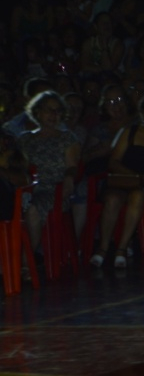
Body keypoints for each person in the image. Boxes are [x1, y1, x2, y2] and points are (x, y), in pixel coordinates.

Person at [90, 93, 144, 268]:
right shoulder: (130, 132)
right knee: (113, 199)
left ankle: (122, 248)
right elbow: (113, 161)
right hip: (125, 180)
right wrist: (133, 176)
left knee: (137, 196)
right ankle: (103, 248)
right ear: (142, 114)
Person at [17, 91, 81, 254]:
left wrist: (69, 178)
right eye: (49, 110)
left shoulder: (67, 138)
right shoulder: (25, 139)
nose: (54, 114)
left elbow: (72, 166)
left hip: (54, 190)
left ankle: (26, 261)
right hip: (27, 189)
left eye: (58, 110)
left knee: (33, 209)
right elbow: (20, 167)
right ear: (38, 112)